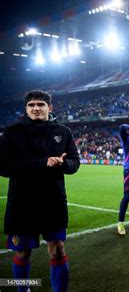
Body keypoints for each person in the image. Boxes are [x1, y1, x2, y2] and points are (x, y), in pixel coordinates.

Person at [0, 90, 80, 292]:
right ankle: (23, 289)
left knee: (58, 250)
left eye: (41, 104)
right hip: (21, 204)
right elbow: (4, 167)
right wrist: (42, 163)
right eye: (32, 105)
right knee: (22, 252)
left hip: (53, 202)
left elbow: (74, 163)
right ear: (26, 109)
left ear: (49, 108)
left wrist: (61, 164)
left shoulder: (62, 132)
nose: (36, 108)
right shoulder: (12, 132)